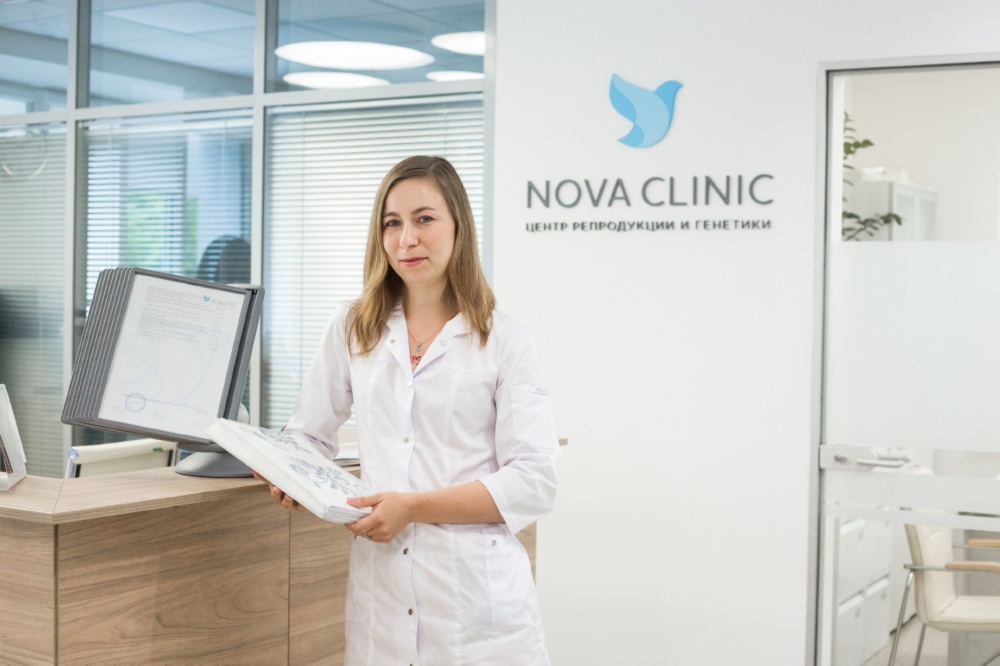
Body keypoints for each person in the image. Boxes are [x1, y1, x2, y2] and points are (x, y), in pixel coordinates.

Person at [257, 155, 560, 665]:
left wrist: (413, 507)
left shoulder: (503, 339)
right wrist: (288, 470)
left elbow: (535, 480)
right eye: (392, 223)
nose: (407, 239)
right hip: (382, 600)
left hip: (477, 608)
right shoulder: (353, 326)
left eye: (424, 219)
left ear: (458, 226)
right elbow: (308, 434)